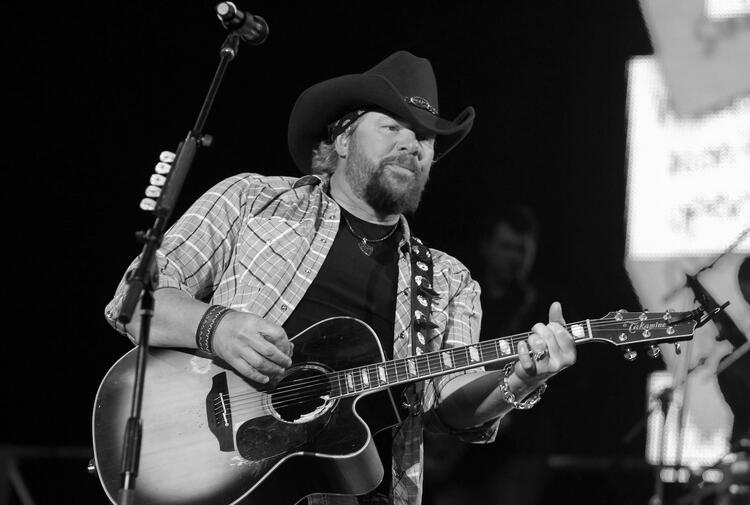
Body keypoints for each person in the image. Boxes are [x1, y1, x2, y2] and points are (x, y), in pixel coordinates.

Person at [104, 50, 577, 505]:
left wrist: (518, 380)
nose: (411, 145)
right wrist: (217, 328)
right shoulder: (253, 201)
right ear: (344, 139)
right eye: (392, 126)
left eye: (425, 140)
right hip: (225, 475)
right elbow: (134, 299)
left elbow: (447, 407)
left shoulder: (450, 280)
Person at [424, 206, 571, 505]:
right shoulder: (463, 296)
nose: (515, 258)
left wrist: (514, 408)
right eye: (506, 247)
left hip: (519, 450)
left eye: (523, 249)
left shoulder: (541, 301)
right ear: (487, 247)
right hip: (462, 453)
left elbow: (572, 386)